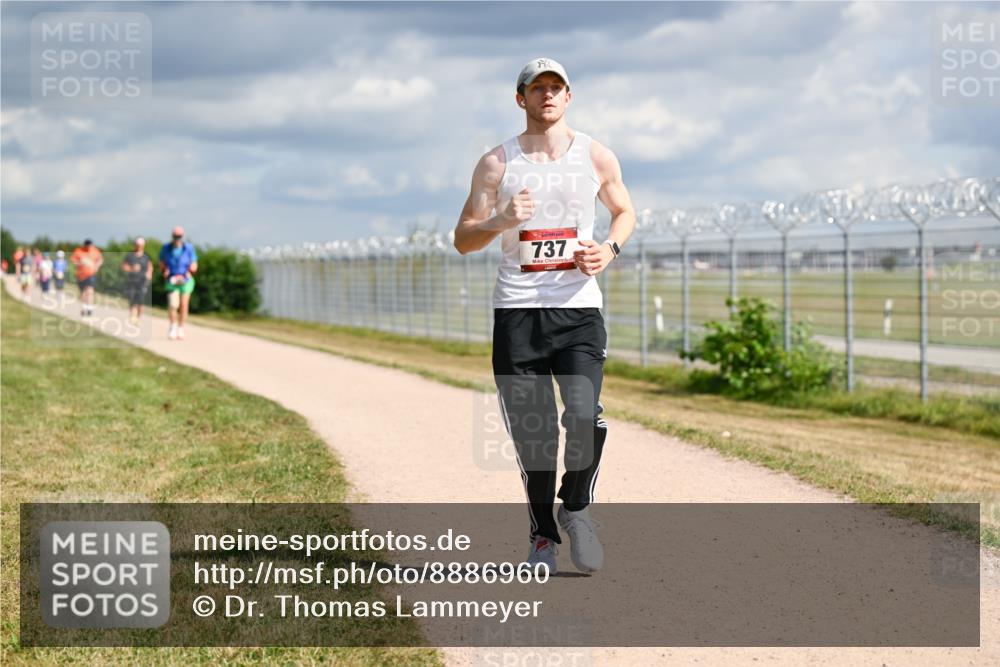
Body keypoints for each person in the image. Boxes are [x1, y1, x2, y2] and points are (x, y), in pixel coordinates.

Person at [454, 58, 636, 574]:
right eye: (538, 89)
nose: (548, 96)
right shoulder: (497, 164)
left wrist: (609, 249)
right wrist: (501, 220)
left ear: (569, 97)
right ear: (521, 99)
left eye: (557, 88)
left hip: (577, 309)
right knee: (535, 435)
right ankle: (542, 536)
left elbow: (625, 211)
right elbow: (463, 240)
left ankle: (576, 507)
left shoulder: (595, 156)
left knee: (584, 415)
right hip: (517, 310)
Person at [158, 226, 198, 340]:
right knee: (172, 304)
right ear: (172, 236)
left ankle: (181, 327)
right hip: (172, 279)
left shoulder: (188, 248)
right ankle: (173, 326)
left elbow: (194, 263)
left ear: (182, 237)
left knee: (184, 305)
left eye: (179, 236)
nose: (177, 238)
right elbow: (161, 262)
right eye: (175, 236)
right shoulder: (166, 248)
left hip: (185, 279)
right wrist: (164, 270)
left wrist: (191, 269)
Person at [121, 237, 153, 325]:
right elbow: (124, 266)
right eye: (138, 245)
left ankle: (138, 318)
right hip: (131, 281)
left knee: (140, 301)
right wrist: (132, 269)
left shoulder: (146, 257)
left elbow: (150, 267)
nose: (139, 247)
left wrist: (149, 275)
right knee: (132, 299)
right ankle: (132, 316)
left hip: (142, 282)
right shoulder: (130, 256)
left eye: (141, 245)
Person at [71, 239, 103, 317]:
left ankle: (90, 308)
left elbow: (100, 260)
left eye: (90, 246)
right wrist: (80, 263)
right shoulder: (78, 251)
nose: (89, 247)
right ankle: (84, 307)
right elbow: (73, 260)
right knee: (83, 292)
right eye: (87, 246)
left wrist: (96, 266)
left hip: (91, 274)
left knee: (90, 290)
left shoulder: (95, 251)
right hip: (81, 275)